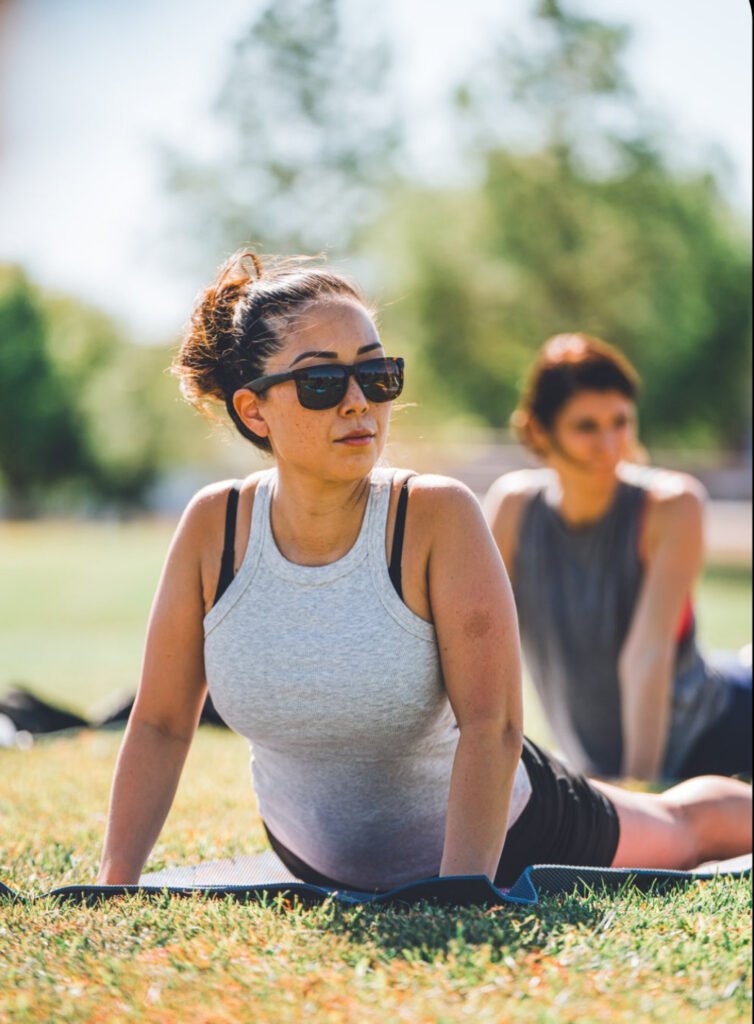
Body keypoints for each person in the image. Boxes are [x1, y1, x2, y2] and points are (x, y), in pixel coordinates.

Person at [97, 257, 751, 892]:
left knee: (686, 829)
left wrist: (459, 889)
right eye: (322, 382)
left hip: (512, 832)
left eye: (377, 374)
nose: (359, 403)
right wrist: (113, 885)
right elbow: (159, 722)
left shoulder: (436, 513)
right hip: (313, 860)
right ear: (254, 410)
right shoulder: (215, 525)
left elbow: (491, 725)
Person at [484, 333, 752, 783]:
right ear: (538, 431)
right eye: (587, 426)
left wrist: (641, 788)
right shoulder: (513, 509)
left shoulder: (672, 505)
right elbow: (480, 644)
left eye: (621, 422)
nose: (609, 444)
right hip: (594, 762)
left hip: (711, 734)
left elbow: (646, 656)